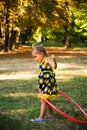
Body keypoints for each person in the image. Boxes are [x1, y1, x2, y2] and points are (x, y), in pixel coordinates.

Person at [31, 46, 58, 123]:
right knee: (47, 99)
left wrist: (54, 59)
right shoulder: (42, 61)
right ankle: (51, 115)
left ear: (41, 54)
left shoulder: (48, 60)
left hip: (48, 84)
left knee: (43, 100)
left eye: (36, 56)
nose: (35, 59)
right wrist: (40, 86)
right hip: (44, 84)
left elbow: (54, 67)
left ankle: (41, 118)